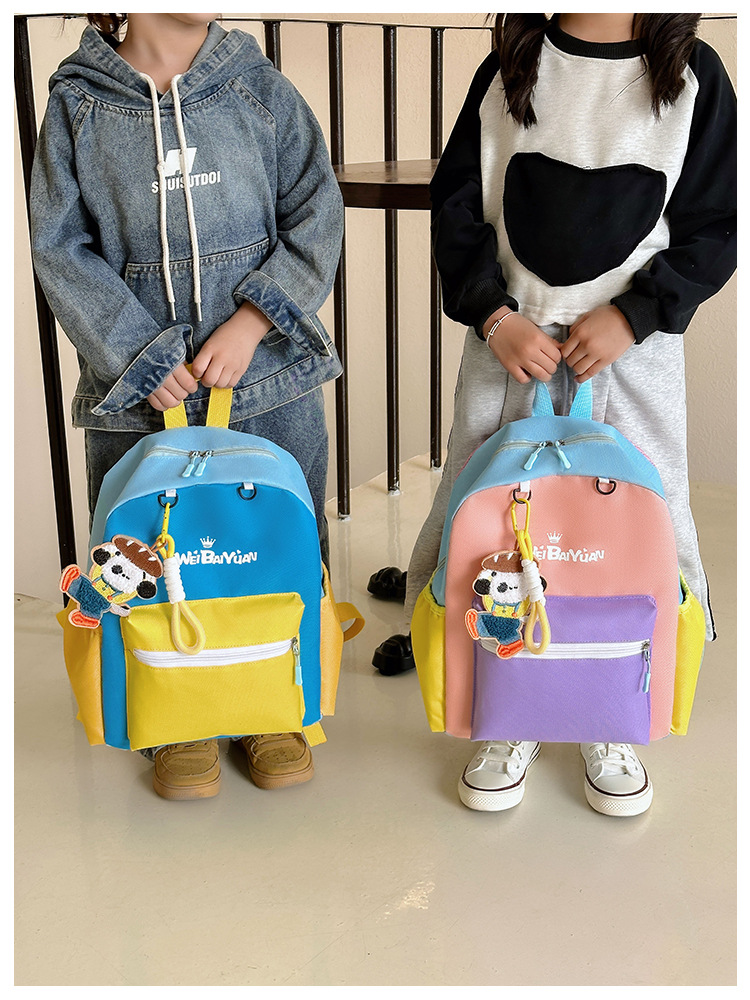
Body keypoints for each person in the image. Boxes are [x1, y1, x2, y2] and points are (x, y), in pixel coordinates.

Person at [371, 13, 736, 816]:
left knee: (630, 531)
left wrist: (636, 315)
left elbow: (715, 226)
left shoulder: (695, 74)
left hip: (631, 359)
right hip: (511, 348)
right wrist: (494, 315)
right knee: (493, 519)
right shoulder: (512, 65)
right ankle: (508, 704)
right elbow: (457, 203)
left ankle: (614, 708)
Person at [30, 13, 345, 800]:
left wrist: (255, 319)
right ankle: (176, 713)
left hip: (269, 384)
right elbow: (59, 247)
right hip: (139, 401)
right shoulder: (76, 104)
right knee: (155, 553)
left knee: (272, 544)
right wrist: (137, 355)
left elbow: (318, 209)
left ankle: (275, 701)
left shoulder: (259, 87)